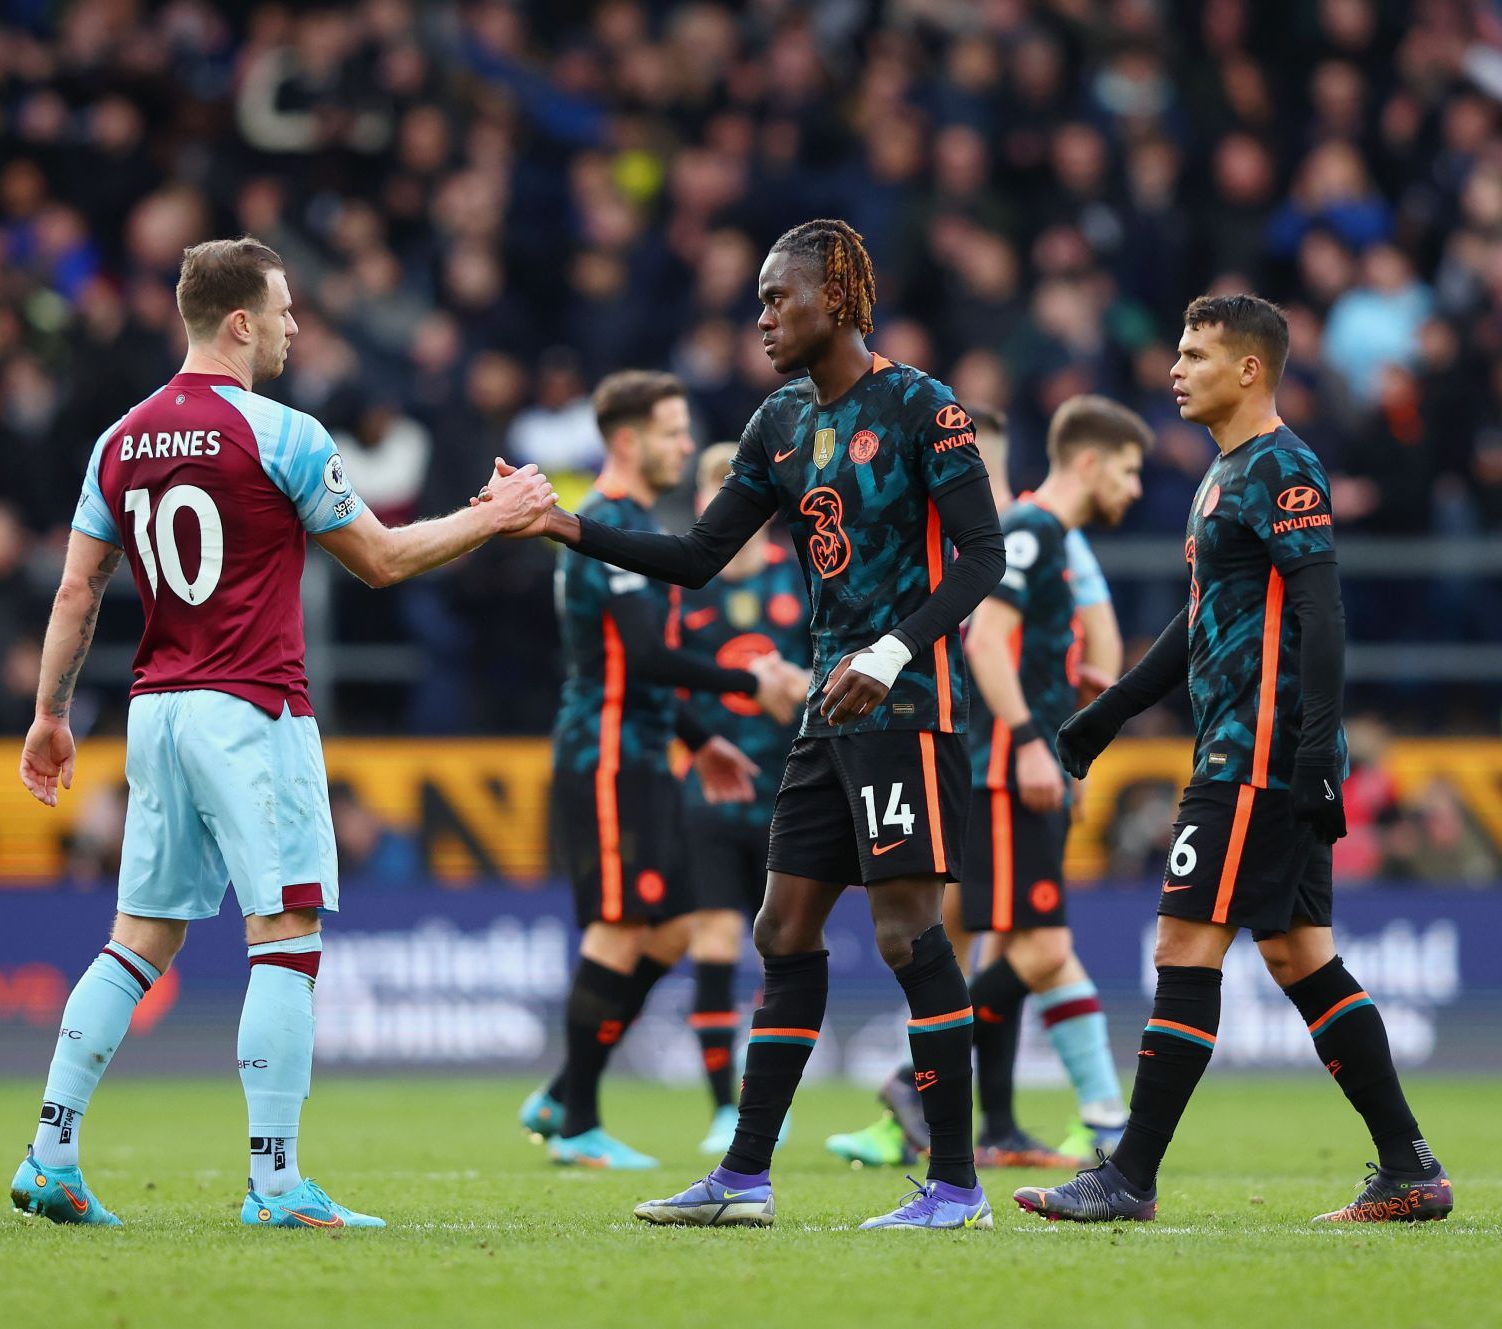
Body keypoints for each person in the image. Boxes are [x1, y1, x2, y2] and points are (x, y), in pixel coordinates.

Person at [9, 236, 556, 1231]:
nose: (298, 327)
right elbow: (382, 561)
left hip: (157, 710)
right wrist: (499, 516)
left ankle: (50, 1152)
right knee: (287, 936)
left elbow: (78, 585)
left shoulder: (117, 441)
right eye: (286, 309)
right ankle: (274, 1182)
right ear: (240, 324)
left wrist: (50, 713)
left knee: (139, 937)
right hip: (252, 709)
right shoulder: (284, 434)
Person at [498, 219, 1006, 1229]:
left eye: (780, 297)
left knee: (908, 932)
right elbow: (693, 555)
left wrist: (892, 651)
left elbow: (980, 560)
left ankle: (956, 1185)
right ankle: (742, 1179)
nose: (763, 315)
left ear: (839, 298)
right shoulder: (779, 422)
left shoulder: (922, 408)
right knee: (781, 927)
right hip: (826, 718)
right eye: (762, 299)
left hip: (906, 708)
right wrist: (567, 525)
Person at [1015, 294, 1453, 1224]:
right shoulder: (1226, 476)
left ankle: (1128, 1175)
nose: (1174, 368)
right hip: (1247, 750)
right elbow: (1199, 624)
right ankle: (1409, 1168)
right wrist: (1107, 716)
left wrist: (1314, 751)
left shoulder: (1284, 466)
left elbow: (1324, 611)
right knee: (1300, 955)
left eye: (1195, 353)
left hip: (1258, 757)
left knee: (1183, 943)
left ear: (1249, 368)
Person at [828, 404, 1132, 1169]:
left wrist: (1074, 720)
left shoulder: (1050, 538)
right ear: (1092, 462)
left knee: (1002, 937)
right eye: (1128, 468)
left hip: (1022, 768)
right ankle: (927, 1085)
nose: (1135, 485)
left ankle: (979, 1111)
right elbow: (989, 640)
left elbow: (1054, 646)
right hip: (1004, 770)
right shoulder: (1031, 529)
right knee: (1035, 946)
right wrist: (1034, 744)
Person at [517, 371, 807, 1170]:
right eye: (675, 433)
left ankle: (562, 1089)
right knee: (619, 926)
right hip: (606, 752)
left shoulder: (629, 523)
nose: (687, 446)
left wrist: (698, 737)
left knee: (672, 926)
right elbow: (644, 654)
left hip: (644, 745)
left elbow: (639, 665)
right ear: (626, 440)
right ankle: (576, 1120)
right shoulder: (607, 523)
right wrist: (755, 684)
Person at [674, 441, 814, 1155]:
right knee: (715, 941)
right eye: (709, 488)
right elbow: (664, 679)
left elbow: (823, 670)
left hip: (785, 788)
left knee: (780, 944)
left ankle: (765, 1100)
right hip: (707, 794)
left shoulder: (797, 583)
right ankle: (720, 1109)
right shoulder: (686, 588)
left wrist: (798, 678)